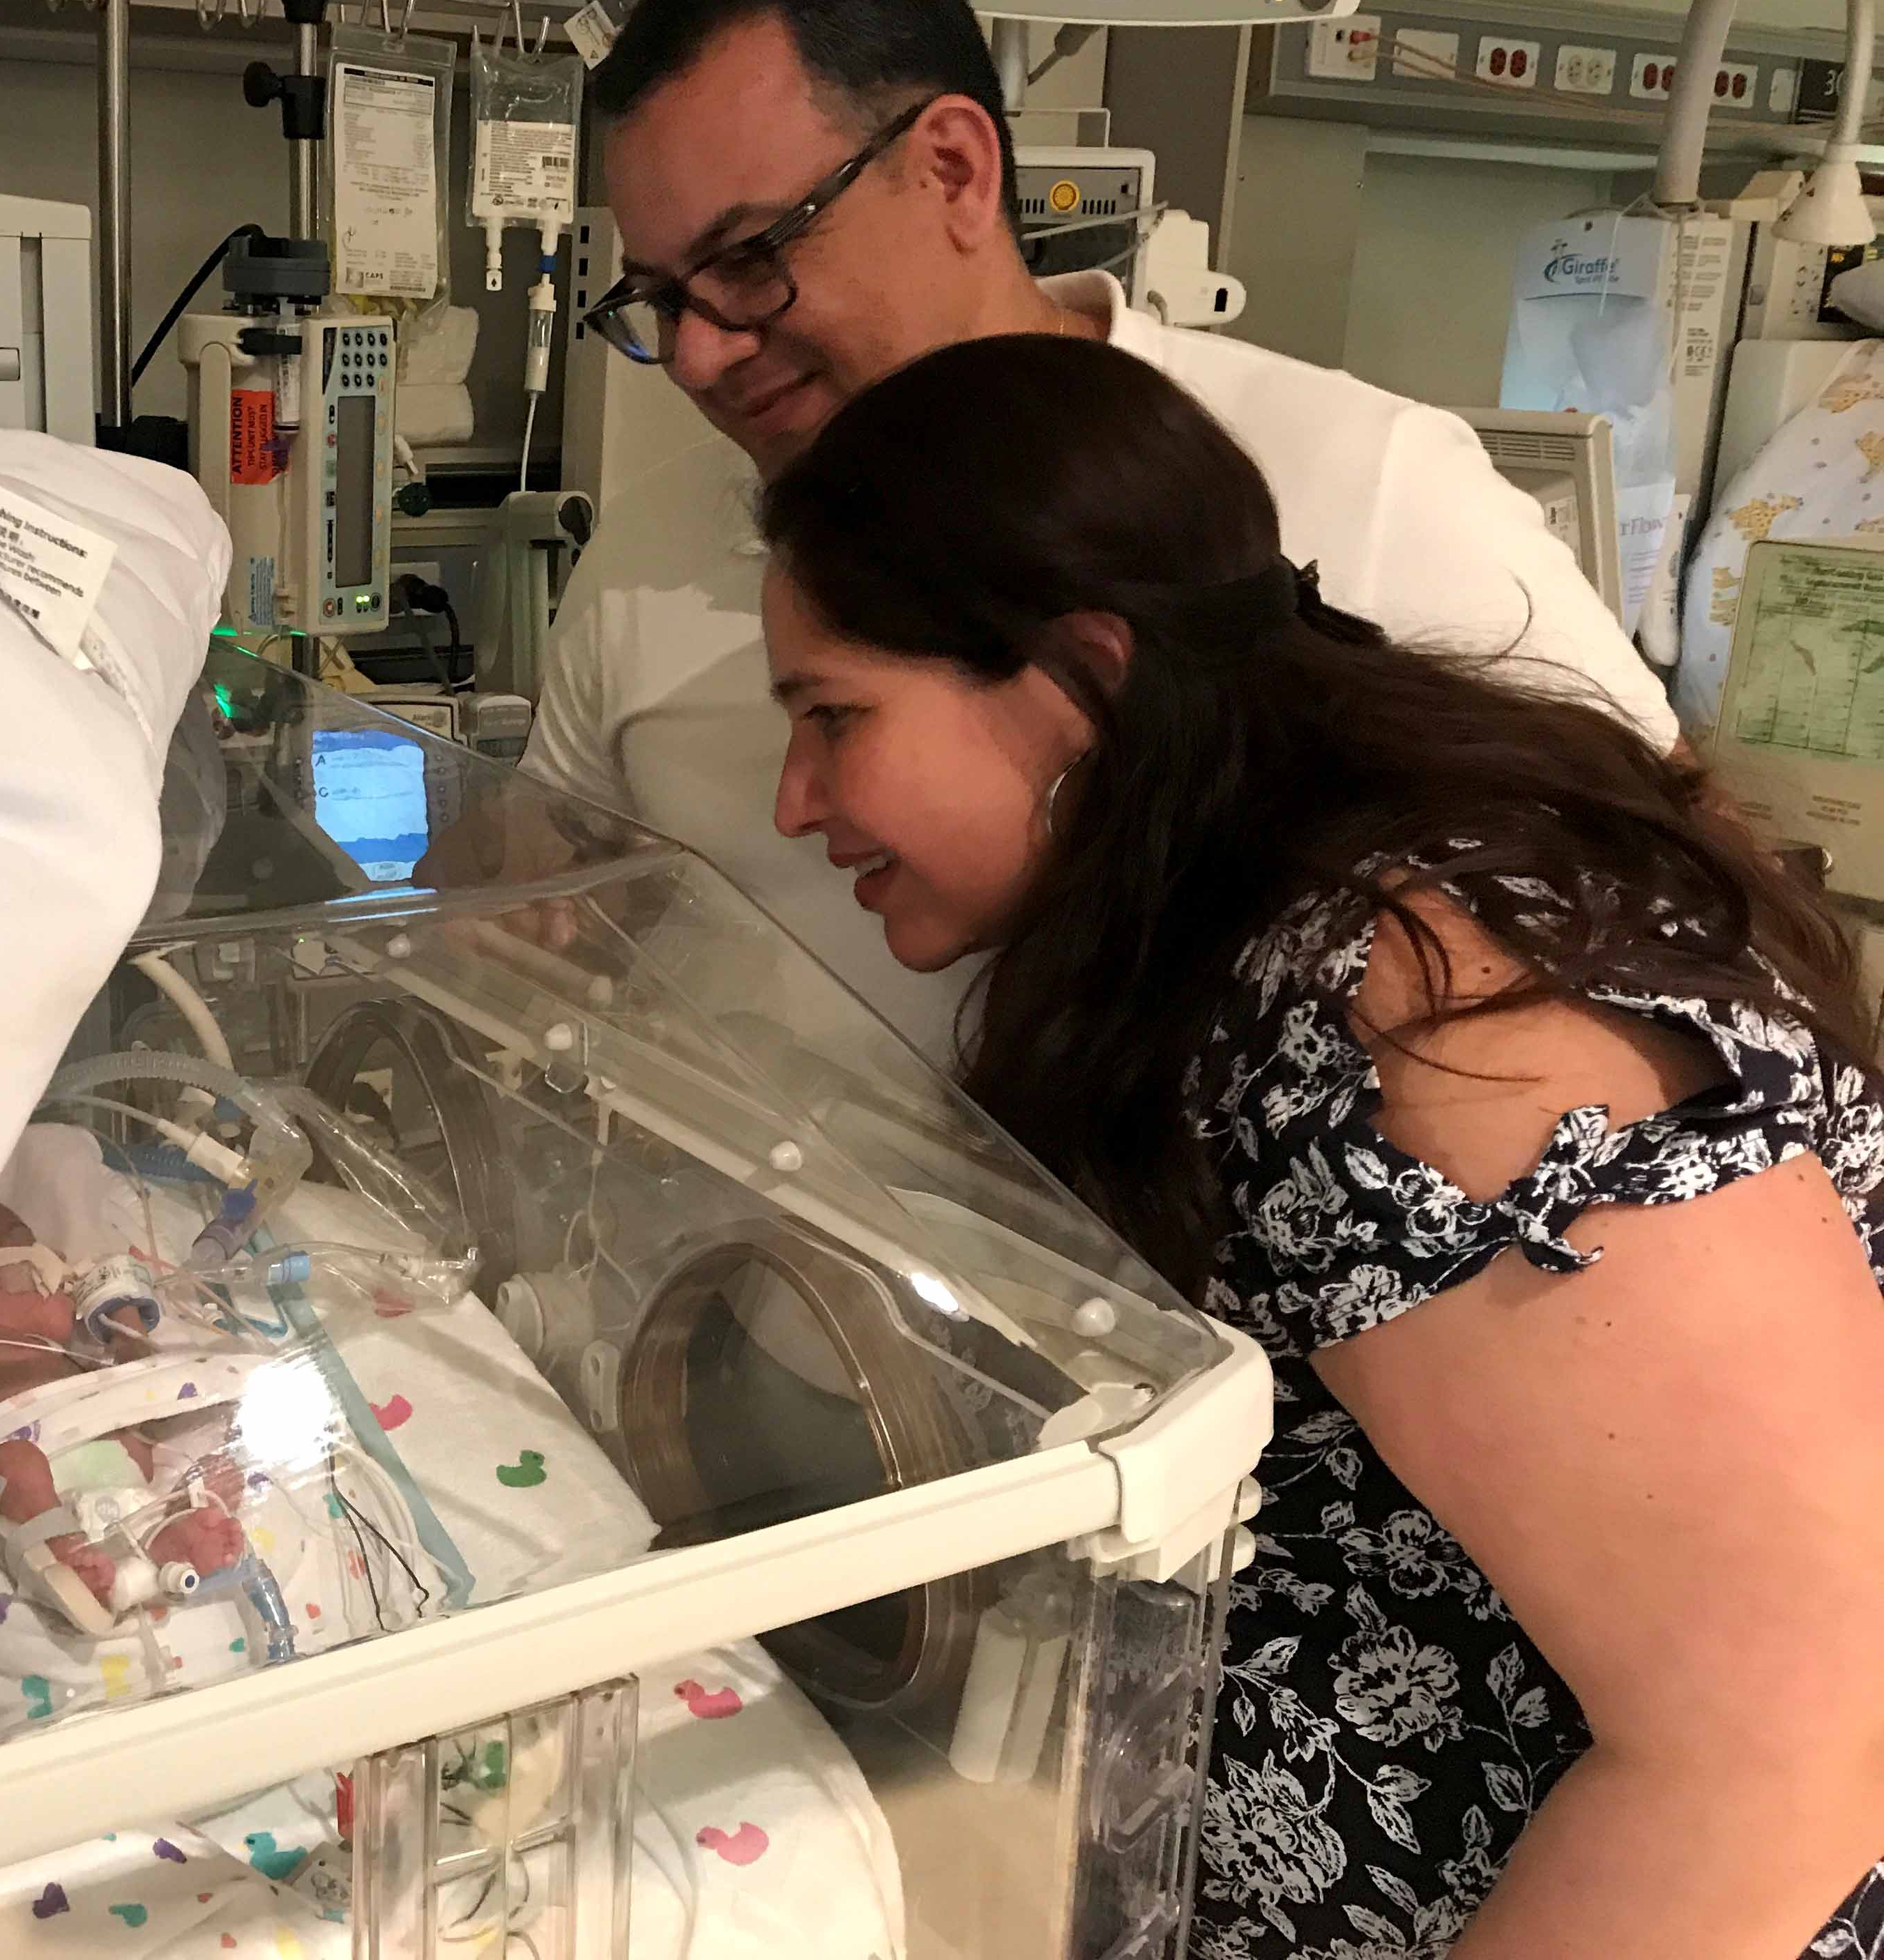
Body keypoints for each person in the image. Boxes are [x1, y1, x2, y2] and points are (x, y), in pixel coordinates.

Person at [759, 331, 1884, 1960]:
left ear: (1084, 676)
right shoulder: (1218, 938)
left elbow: (1789, 1746)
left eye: (834, 716)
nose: (795, 801)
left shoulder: (1444, 1014)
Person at [525, 0, 1676, 1073]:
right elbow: (542, 893)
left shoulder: (1370, 484)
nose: (699, 356)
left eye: (750, 262)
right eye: (661, 298)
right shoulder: (654, 547)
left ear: (954, 170)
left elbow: (1672, 931)